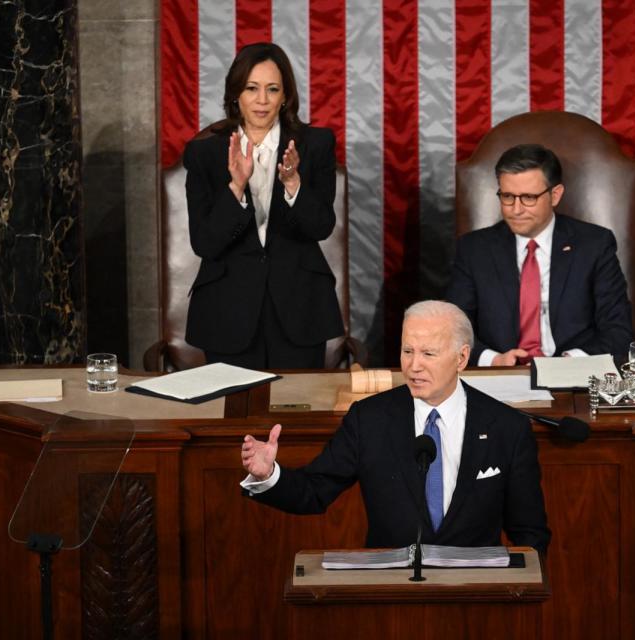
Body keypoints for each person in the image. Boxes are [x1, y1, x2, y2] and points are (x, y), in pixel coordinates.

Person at [239, 300, 551, 553]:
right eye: (407, 351)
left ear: (461, 358)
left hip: (476, 601)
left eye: (428, 354)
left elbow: (530, 534)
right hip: (390, 597)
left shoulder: (506, 427)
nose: (414, 366)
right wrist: (268, 474)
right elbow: (314, 491)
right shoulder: (369, 419)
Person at [183, 42, 343, 368]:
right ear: (235, 94)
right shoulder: (204, 153)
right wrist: (236, 186)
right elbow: (205, 242)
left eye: (272, 89)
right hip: (227, 311)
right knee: (234, 416)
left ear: (285, 96)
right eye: (252, 88)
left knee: (298, 413)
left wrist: (293, 183)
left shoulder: (315, 145)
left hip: (301, 308)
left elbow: (321, 226)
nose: (262, 100)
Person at [446, 143, 633, 365]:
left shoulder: (594, 245)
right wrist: (493, 359)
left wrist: (570, 361)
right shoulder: (474, 249)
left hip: (573, 374)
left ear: (555, 195)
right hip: (500, 376)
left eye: (528, 198)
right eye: (507, 196)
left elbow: (618, 329)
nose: (515, 209)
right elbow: (454, 327)